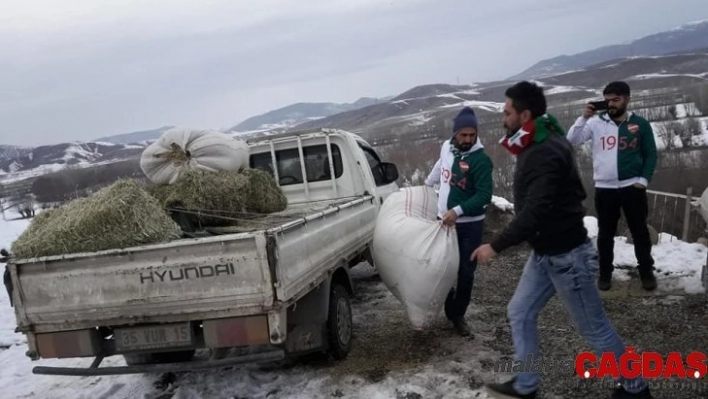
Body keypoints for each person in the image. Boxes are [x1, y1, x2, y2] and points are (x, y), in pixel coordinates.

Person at [471, 81, 651, 399]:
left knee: (594, 329)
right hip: (546, 252)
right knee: (520, 312)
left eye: (507, 111)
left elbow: (535, 211)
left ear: (525, 114)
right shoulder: (537, 140)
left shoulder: (544, 150)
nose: (503, 116)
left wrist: (495, 244)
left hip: (568, 256)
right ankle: (527, 385)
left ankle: (635, 388)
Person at [566, 81, 658, 291]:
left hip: (632, 187)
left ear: (627, 99)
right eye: (607, 100)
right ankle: (605, 273)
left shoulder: (640, 124)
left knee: (640, 232)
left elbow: (651, 154)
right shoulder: (596, 123)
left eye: (616, 99)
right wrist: (584, 117)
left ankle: (646, 272)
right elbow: (572, 138)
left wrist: (643, 180)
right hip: (605, 189)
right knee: (606, 234)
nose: (611, 104)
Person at [424, 106, 493, 337]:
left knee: (465, 271)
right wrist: (426, 184)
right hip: (444, 220)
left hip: (469, 225)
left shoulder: (481, 160)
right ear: (455, 133)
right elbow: (441, 165)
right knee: (440, 266)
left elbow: (484, 196)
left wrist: (459, 210)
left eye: (472, 135)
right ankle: (445, 304)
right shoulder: (447, 147)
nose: (468, 139)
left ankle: (457, 314)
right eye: (463, 135)